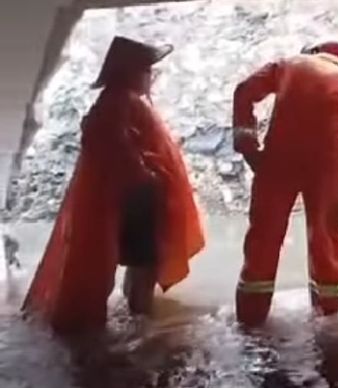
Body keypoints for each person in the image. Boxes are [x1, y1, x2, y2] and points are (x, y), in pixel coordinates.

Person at [22, 36, 205, 333]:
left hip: (134, 196)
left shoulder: (120, 99)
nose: (151, 76)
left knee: (140, 261)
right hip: (135, 198)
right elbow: (106, 139)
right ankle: (142, 326)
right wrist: (145, 174)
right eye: (147, 70)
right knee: (144, 263)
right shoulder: (117, 100)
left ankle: (136, 316)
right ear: (131, 72)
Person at [232, 36, 338, 325]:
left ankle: (250, 320)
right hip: (327, 165)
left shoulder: (288, 65)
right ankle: (329, 319)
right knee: (326, 240)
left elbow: (244, 91)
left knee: (264, 237)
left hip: (278, 158)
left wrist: (248, 144)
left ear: (314, 51)